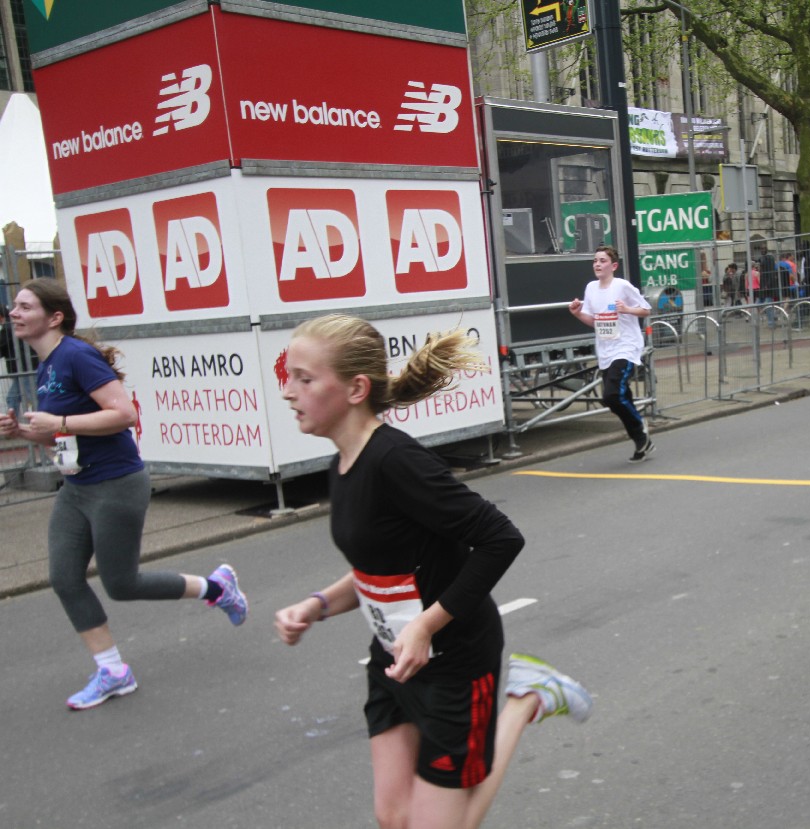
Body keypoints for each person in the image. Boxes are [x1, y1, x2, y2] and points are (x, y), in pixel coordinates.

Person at [274, 315, 591, 829]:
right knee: (393, 817)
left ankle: (527, 699)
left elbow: (501, 538)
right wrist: (318, 605)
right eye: (290, 377)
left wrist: (425, 625)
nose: (288, 392)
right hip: (395, 661)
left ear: (356, 389)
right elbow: (379, 570)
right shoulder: (343, 464)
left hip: (455, 664)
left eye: (304, 379)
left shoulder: (396, 461)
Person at [0, 279, 247, 710]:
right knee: (65, 578)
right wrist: (24, 431)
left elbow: (124, 414)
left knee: (122, 583)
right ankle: (113, 671)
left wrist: (59, 422)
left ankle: (216, 588)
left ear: (54, 317)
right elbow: (62, 436)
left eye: (24, 306)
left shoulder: (76, 356)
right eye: (14, 306)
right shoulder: (47, 365)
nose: (13, 313)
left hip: (115, 484)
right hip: (77, 486)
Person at [568, 245, 654, 462]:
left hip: (626, 347)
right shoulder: (591, 288)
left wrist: (627, 309)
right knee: (618, 397)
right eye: (595, 261)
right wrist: (577, 314)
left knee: (612, 395)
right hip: (605, 350)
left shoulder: (622, 286)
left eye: (602, 261)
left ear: (613, 266)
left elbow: (646, 309)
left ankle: (639, 430)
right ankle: (641, 439)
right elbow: (594, 322)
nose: (597, 264)